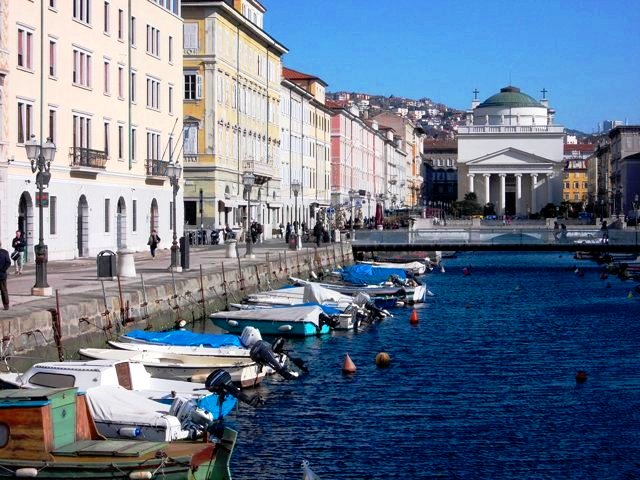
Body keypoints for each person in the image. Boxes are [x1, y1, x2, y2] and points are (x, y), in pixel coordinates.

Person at [0, 241, 11, 310]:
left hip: (2, 274)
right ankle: (6, 305)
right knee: (4, 290)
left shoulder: (4, 252)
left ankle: (6, 304)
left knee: (4, 290)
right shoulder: (5, 252)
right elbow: (8, 262)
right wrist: (3, 270)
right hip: (2, 274)